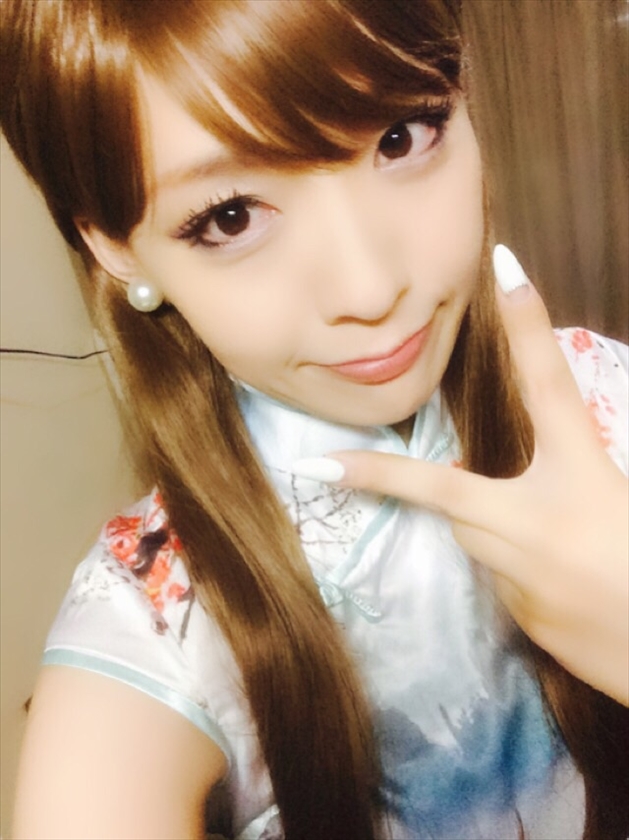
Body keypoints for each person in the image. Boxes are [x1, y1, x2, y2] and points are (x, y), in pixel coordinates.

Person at [1, 1, 627, 838]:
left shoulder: (601, 393)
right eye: (231, 216)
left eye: (401, 137)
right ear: (115, 246)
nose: (370, 289)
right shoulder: (155, 620)